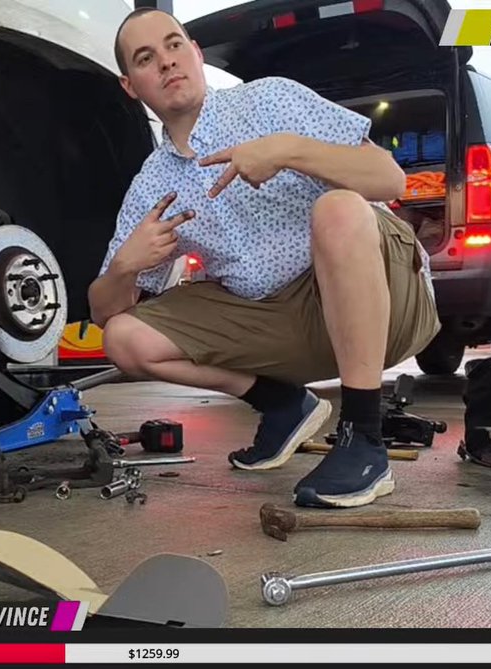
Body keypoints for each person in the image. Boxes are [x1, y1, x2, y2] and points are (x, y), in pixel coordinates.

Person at [88, 8, 441, 508]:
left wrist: (290, 151)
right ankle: (282, 405)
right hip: (279, 323)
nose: (166, 63)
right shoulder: (151, 185)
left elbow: (388, 179)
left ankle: (364, 438)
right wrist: (126, 265)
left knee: (338, 208)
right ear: (131, 86)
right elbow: (104, 312)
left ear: (194, 51)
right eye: (146, 58)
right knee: (123, 336)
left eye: (173, 45)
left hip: (383, 302)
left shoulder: (269, 100)